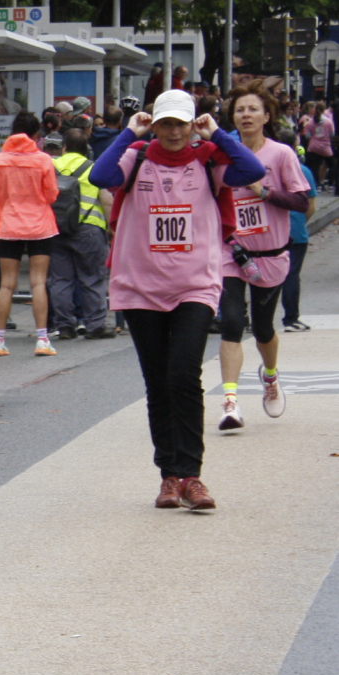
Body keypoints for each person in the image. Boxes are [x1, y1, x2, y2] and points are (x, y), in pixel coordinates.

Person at [87, 89, 266, 512]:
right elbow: (100, 176)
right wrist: (128, 133)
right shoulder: (136, 157)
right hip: (140, 286)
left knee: (184, 374)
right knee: (158, 382)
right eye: (164, 123)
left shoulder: (208, 160)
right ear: (155, 125)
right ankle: (169, 476)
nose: (172, 132)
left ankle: (192, 476)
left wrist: (216, 133)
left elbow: (252, 169)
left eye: (180, 124)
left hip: (194, 285)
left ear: (191, 125)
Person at [213, 83, 309, 433]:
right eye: (240, 110)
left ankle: (270, 376)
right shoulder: (222, 156)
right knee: (232, 323)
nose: (246, 115)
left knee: (264, 328)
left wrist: (264, 192)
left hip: (270, 256)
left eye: (253, 109)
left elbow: (301, 202)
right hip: (231, 252)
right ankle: (231, 402)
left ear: (267, 116)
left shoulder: (280, 154)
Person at [0, 111, 59, 356]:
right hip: (39, 224)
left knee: (6, 284)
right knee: (38, 282)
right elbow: (51, 194)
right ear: (36, 134)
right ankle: (42, 340)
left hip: (9, 223)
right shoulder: (43, 160)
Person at [46, 127, 114, 341]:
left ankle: (65, 326)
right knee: (92, 278)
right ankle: (95, 325)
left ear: (64, 147)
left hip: (56, 229)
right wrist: (112, 228)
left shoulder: (51, 167)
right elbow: (107, 201)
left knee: (60, 280)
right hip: (89, 229)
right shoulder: (93, 168)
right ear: (86, 149)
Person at [282, 145, 315, 332]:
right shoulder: (303, 171)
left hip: (270, 232)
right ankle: (291, 318)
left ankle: (256, 320)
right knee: (291, 275)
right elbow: (311, 205)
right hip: (296, 231)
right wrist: (301, 221)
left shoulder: (265, 167)